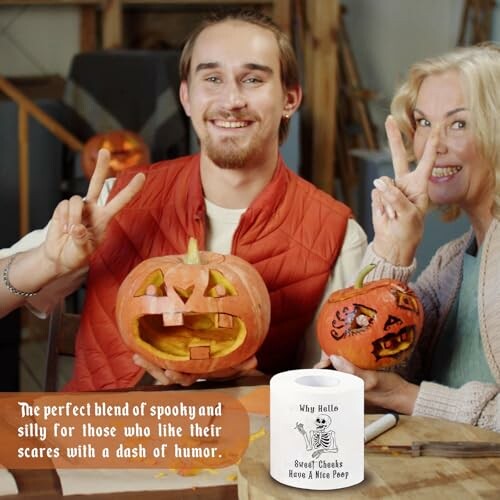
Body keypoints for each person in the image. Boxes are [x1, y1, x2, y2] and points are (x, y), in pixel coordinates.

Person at [0, 9, 367, 391]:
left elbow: (331, 397)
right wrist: (46, 261)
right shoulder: (118, 200)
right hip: (102, 441)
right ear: (187, 97)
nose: (231, 99)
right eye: (212, 78)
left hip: (246, 446)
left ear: (289, 98)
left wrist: (249, 380)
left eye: (253, 79)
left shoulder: (338, 235)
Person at [320, 44, 500, 431]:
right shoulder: (451, 263)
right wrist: (393, 247)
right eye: (423, 123)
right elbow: (363, 360)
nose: (432, 147)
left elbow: (397, 390)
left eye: (458, 124)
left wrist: (409, 397)